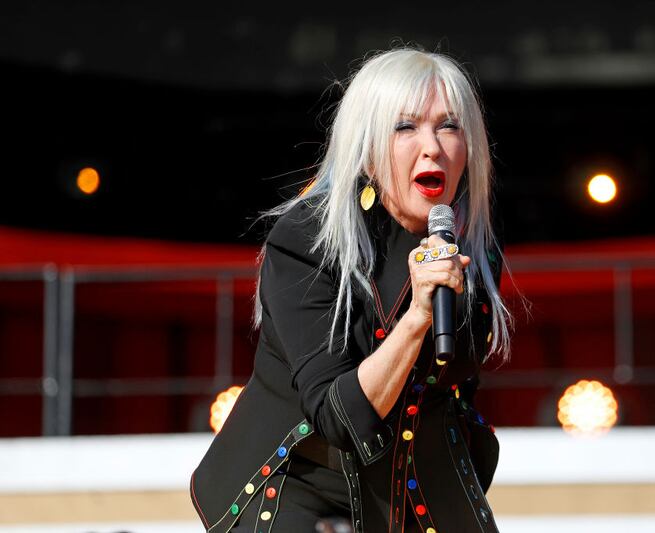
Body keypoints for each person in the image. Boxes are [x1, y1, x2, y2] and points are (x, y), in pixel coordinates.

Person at [190, 47, 512, 533]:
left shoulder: (472, 249)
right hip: (301, 493)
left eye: (449, 126)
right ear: (366, 145)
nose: (432, 147)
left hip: (421, 490)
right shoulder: (308, 239)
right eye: (405, 127)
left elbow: (454, 388)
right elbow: (339, 416)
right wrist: (418, 318)